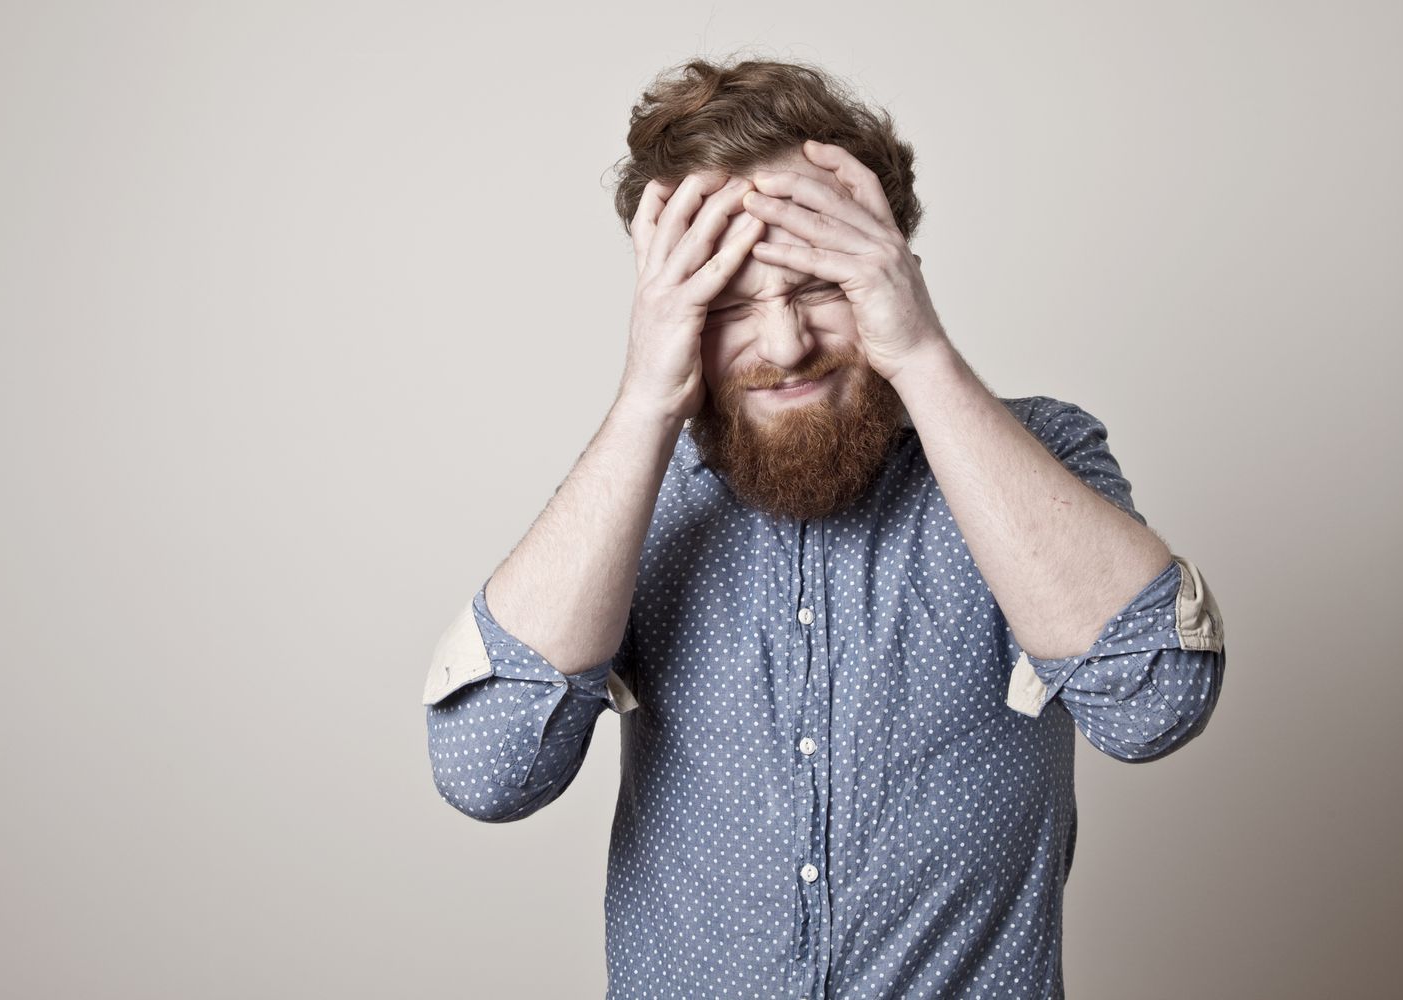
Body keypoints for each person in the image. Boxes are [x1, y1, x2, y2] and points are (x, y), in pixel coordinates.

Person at [423, 56, 1225, 1000]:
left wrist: (919, 351)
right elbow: (488, 771)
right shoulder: (634, 499)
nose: (785, 344)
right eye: (725, 306)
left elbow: (1154, 704)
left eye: (821, 286)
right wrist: (646, 401)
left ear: (897, 268)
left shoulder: (1039, 452)